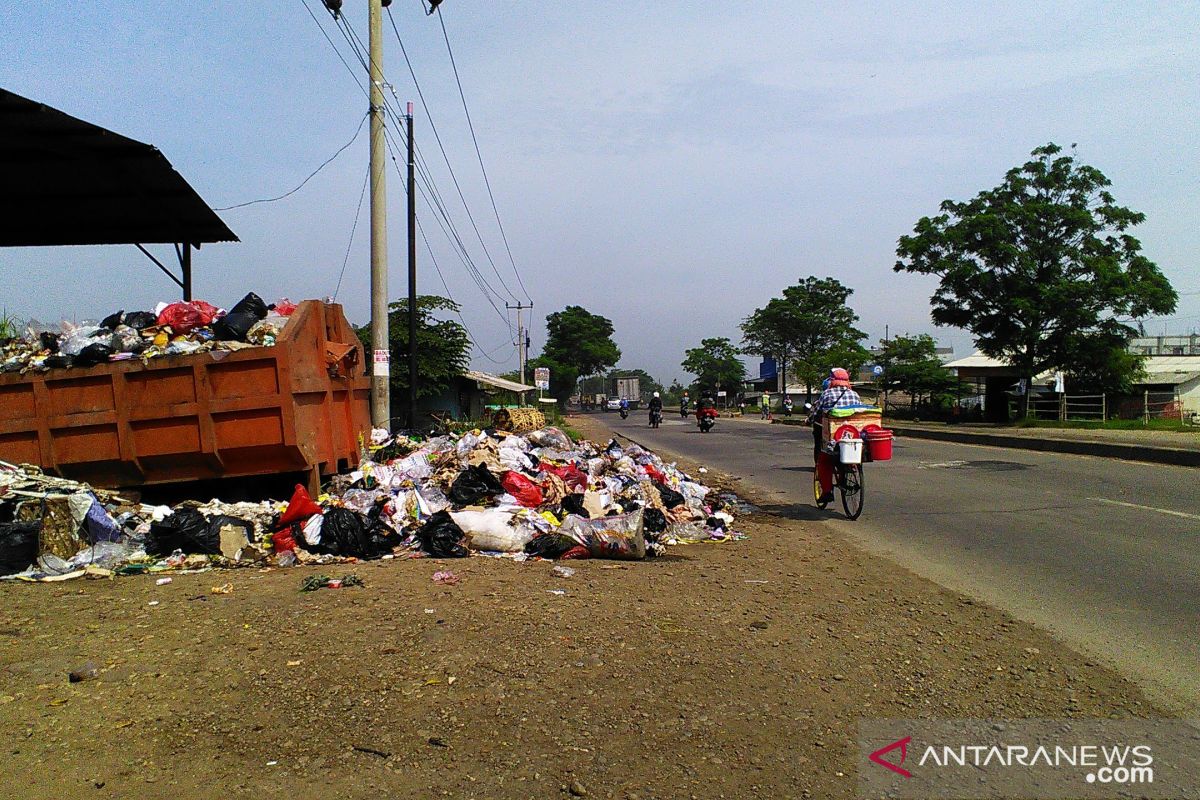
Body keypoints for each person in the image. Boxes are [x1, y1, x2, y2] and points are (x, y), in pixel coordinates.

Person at [807, 368, 863, 504]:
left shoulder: (827, 394)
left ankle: (827, 492)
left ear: (832, 380)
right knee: (847, 456)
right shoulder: (854, 394)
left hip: (833, 437)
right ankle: (849, 472)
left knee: (824, 461)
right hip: (851, 437)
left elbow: (816, 412)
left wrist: (810, 419)